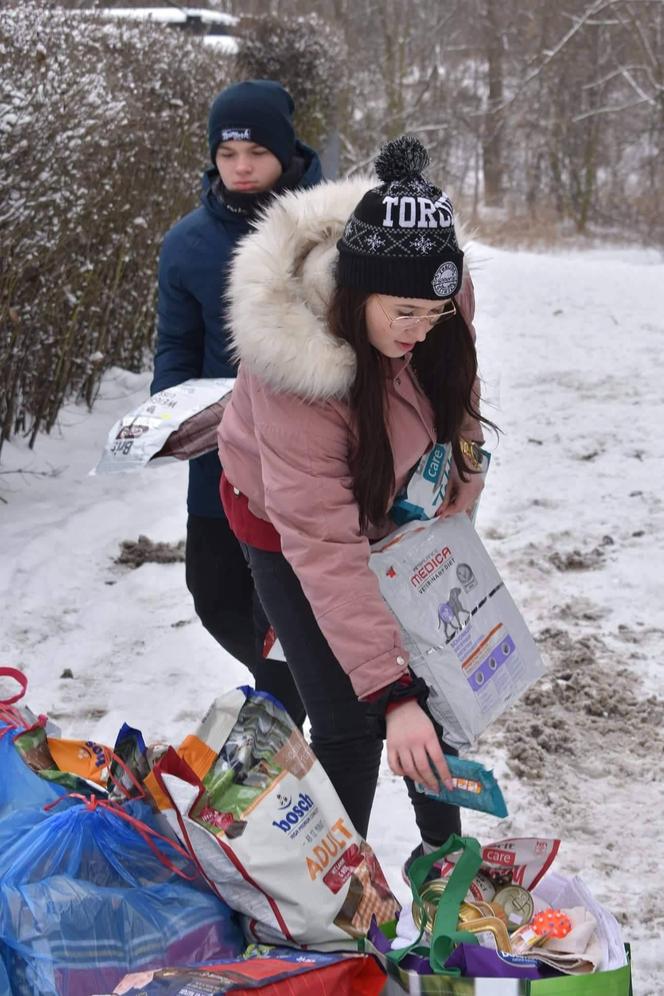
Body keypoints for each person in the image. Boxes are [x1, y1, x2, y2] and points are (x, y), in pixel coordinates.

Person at [217, 136, 491, 864]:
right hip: (286, 522)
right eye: (404, 314)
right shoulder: (295, 375)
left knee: (431, 685)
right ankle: (335, 902)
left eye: (434, 314)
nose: (420, 329)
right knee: (348, 717)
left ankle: (443, 873)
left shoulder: (432, 293)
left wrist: (464, 455)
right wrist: (391, 695)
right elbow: (325, 546)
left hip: (387, 492)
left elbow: (457, 379)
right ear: (356, 289)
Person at [152, 80, 323, 728]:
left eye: (255, 150)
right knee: (215, 597)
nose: (242, 166)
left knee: (288, 605)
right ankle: (288, 684)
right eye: (228, 155)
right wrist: (168, 413)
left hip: (303, 462)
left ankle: (291, 710)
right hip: (218, 459)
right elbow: (176, 344)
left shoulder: (322, 232)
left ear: (284, 149)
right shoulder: (188, 244)